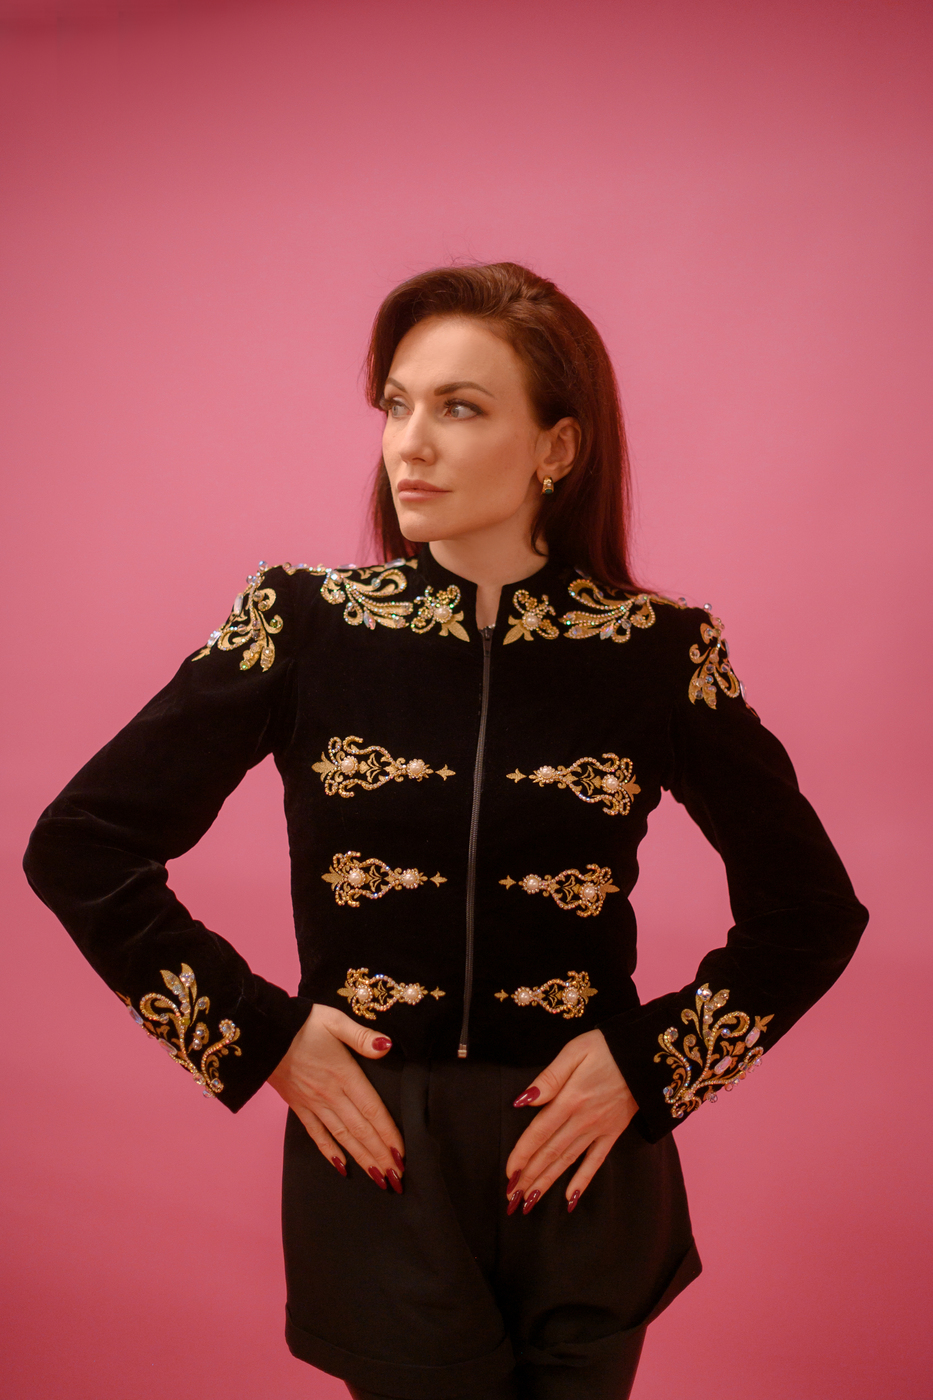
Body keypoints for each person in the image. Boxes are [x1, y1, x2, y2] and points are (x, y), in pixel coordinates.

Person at [23, 261, 868, 1400]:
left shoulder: (659, 652)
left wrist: (651, 1062)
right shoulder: (302, 624)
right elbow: (80, 843)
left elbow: (812, 913)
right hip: (381, 1156)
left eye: (460, 408)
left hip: (585, 1159)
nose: (409, 444)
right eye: (397, 405)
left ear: (557, 447)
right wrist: (263, 1038)